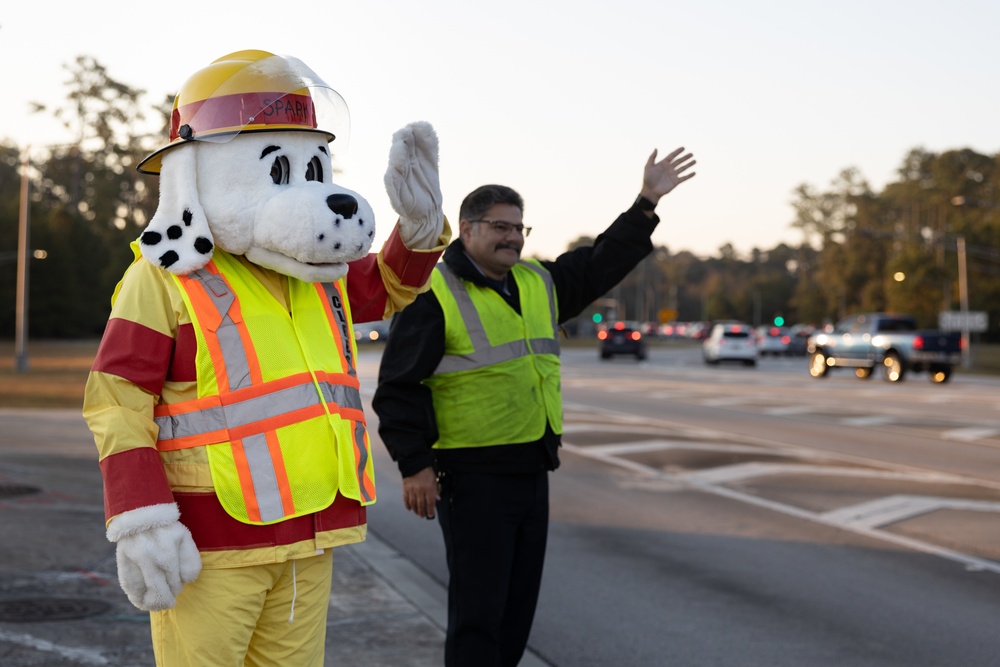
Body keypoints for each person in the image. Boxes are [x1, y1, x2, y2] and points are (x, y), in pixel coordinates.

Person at [372, 146, 696, 666]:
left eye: (520, 228)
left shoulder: (536, 282)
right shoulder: (435, 294)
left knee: (515, 613)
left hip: (530, 470)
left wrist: (647, 201)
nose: (513, 237)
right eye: (500, 227)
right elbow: (397, 388)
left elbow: (601, 262)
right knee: (478, 616)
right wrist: (415, 466)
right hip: (471, 478)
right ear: (467, 228)